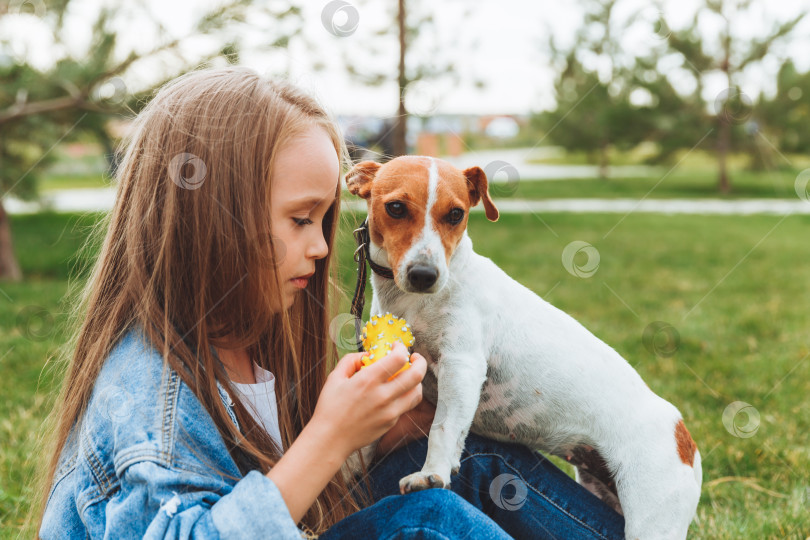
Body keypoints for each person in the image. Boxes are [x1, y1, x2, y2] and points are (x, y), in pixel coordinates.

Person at [31, 66, 625, 539]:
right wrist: (329, 438)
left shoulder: (255, 338)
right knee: (430, 519)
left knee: (458, 452)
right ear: (209, 221)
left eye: (326, 219)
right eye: (300, 219)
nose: (321, 246)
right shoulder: (147, 394)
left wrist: (381, 427)